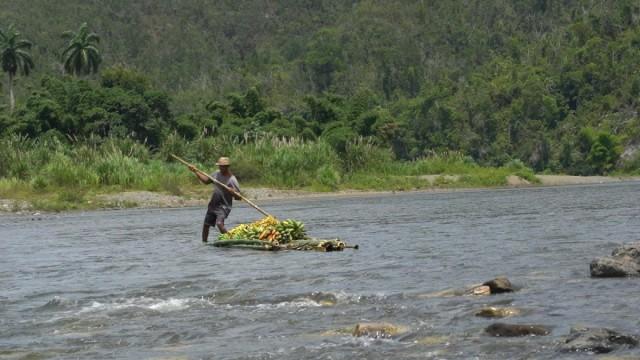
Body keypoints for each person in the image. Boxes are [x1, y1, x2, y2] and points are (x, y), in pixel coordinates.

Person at [189, 156, 241, 242]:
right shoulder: (216, 174)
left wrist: (232, 192)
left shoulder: (232, 180)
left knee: (220, 224)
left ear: (227, 167)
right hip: (214, 204)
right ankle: (204, 243)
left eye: (222, 166)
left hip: (224, 206)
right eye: (219, 166)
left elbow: (239, 197)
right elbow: (206, 181)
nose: (220, 168)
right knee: (206, 225)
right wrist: (195, 171)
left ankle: (231, 240)